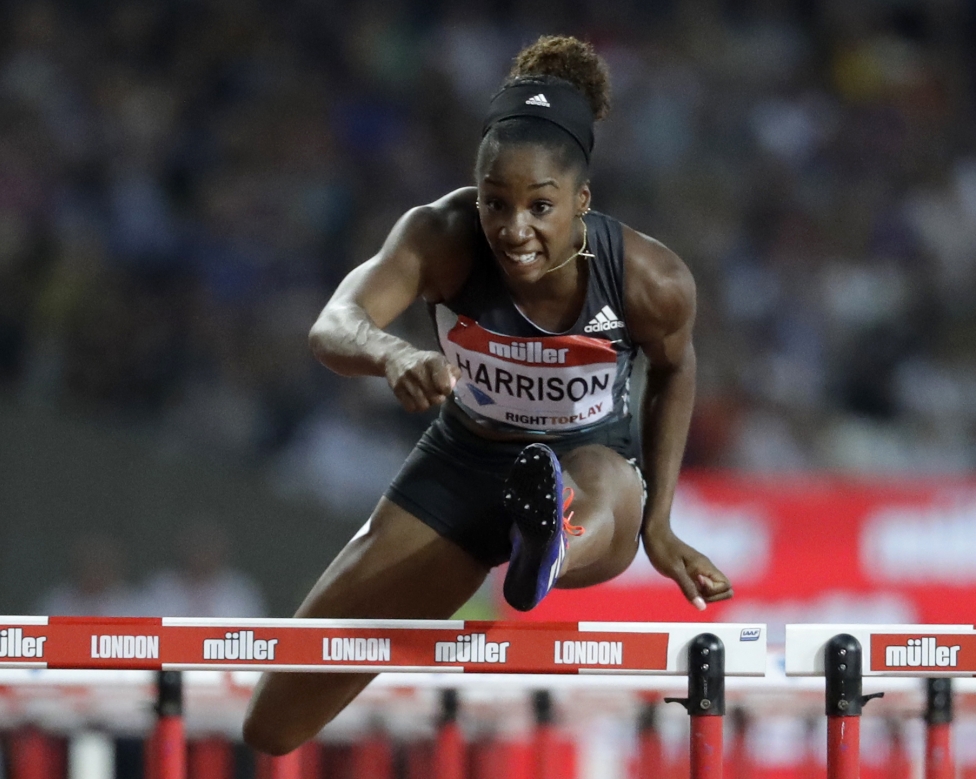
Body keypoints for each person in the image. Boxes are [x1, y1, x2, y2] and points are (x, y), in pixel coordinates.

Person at [243, 35, 732, 755]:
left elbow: (675, 369)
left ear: (582, 200)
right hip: (462, 466)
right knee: (273, 724)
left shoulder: (647, 277)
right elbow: (335, 323)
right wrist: (392, 353)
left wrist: (659, 523)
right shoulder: (441, 234)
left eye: (540, 205)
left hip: (590, 466)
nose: (514, 228)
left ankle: (548, 544)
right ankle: (536, 536)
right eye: (496, 202)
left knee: (592, 483)